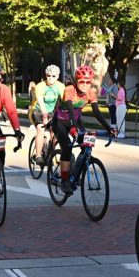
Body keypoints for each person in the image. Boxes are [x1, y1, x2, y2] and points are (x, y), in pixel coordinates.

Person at [51, 65, 113, 194]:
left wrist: (109, 128)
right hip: (60, 121)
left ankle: (74, 174)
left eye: (88, 82)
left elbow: (96, 112)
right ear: (76, 81)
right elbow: (69, 107)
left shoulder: (90, 92)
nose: (85, 85)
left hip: (76, 121)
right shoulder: (69, 89)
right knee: (67, 147)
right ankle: (64, 181)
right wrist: (73, 125)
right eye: (82, 81)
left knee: (86, 147)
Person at [31, 65, 65, 166]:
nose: (51, 78)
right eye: (48, 75)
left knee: (55, 132)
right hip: (37, 110)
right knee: (41, 128)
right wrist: (45, 116)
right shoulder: (40, 86)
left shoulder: (60, 86)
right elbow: (40, 102)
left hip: (51, 111)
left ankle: (52, 151)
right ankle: (38, 156)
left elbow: (65, 102)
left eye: (54, 76)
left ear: (57, 76)